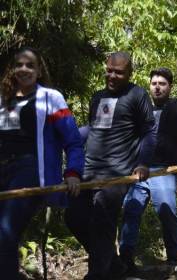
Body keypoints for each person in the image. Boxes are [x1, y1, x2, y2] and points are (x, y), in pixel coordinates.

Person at [64, 52, 156, 280]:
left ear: (129, 73)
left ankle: (97, 274)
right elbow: (94, 128)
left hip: (117, 173)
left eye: (119, 72)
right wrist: (67, 136)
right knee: (73, 217)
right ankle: (114, 266)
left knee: (102, 221)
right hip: (88, 170)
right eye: (109, 70)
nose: (112, 75)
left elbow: (148, 132)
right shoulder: (97, 97)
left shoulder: (137, 95)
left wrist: (143, 163)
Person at [0, 47, 84, 279]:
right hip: (3, 170)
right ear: (12, 69)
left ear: (39, 71)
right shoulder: (2, 98)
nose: (24, 69)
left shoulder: (50, 97)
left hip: (30, 170)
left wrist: (73, 171)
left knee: (5, 233)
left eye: (30, 65)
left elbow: (73, 140)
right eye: (19, 65)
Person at [119, 67, 177, 270]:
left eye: (162, 84)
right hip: (139, 170)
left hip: (165, 170)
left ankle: (173, 258)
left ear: (170, 86)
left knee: (167, 212)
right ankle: (125, 258)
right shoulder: (143, 108)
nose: (157, 88)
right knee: (131, 210)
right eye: (154, 83)